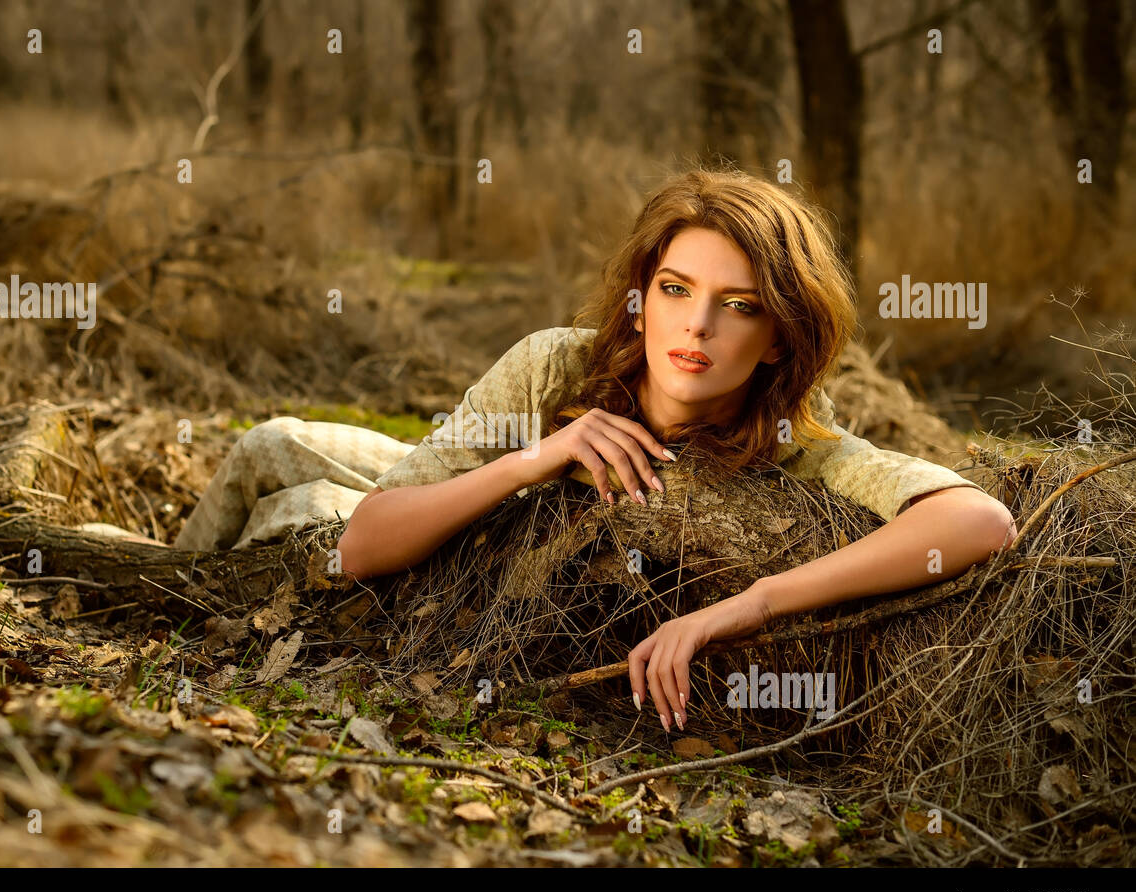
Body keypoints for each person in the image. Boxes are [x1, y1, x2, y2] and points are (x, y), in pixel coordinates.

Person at [173, 166, 1018, 733]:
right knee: (273, 440)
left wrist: (752, 602)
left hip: (432, 529)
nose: (698, 326)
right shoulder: (555, 364)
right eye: (677, 291)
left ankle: (153, 581)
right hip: (472, 482)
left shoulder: (792, 435)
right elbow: (375, 535)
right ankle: (159, 582)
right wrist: (536, 456)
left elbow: (976, 517)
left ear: (775, 338)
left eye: (740, 305)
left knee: (300, 509)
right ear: (642, 300)